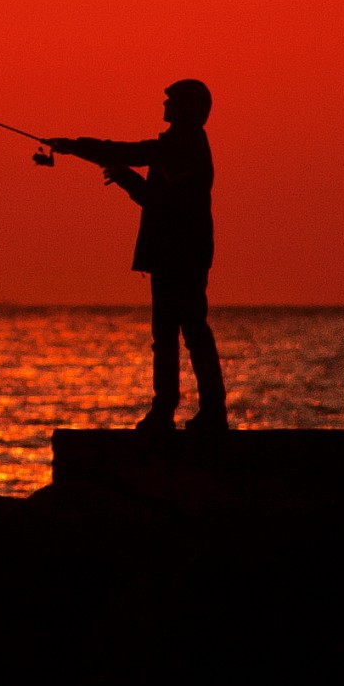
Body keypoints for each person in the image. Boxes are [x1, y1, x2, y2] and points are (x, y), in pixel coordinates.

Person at [47, 80, 227, 432]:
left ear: (187, 109)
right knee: (175, 334)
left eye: (170, 101)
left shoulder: (182, 145)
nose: (164, 105)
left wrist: (73, 146)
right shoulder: (181, 147)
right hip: (173, 255)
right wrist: (128, 180)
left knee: (189, 333)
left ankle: (189, 411)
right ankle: (180, 410)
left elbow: (128, 153)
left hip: (181, 255)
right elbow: (158, 200)